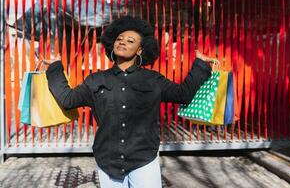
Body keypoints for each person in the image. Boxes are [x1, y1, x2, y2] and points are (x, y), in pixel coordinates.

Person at [45, 16, 213, 188]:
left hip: (144, 160)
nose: (123, 42)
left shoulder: (153, 80)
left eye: (130, 41)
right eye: (119, 39)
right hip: (107, 161)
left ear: (140, 50)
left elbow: (183, 94)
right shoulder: (95, 80)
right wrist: (55, 68)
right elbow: (67, 100)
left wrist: (200, 66)